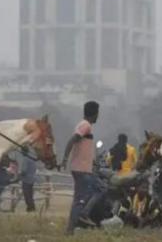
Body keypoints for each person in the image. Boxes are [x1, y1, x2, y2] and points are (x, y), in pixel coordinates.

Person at [62, 100, 101, 234]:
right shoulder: (85, 126)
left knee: (86, 194)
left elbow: (82, 147)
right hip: (81, 169)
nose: (98, 117)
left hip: (83, 167)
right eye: (97, 113)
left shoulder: (84, 125)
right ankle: (80, 218)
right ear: (94, 113)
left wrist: (93, 162)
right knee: (87, 195)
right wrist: (65, 158)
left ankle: (74, 224)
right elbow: (72, 140)